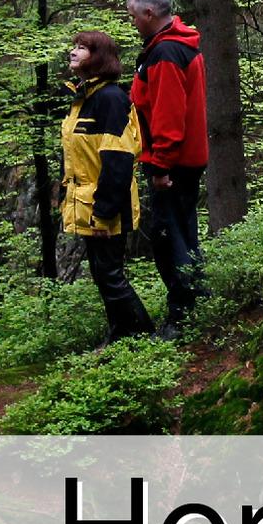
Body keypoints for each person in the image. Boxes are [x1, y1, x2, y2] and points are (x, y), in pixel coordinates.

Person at [61, 30, 152, 341]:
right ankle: (121, 336)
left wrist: (103, 213)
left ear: (99, 57)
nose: (73, 52)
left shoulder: (110, 99)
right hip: (89, 203)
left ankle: (141, 336)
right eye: (74, 46)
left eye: (82, 48)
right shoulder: (84, 98)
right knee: (102, 274)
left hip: (107, 206)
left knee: (110, 275)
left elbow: (118, 161)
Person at [126, 0, 208, 331]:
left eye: (133, 16)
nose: (132, 22)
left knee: (168, 237)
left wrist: (161, 166)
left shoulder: (166, 54)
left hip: (173, 163)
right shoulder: (176, 46)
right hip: (185, 159)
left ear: (149, 14)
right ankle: (198, 302)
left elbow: (168, 116)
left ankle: (183, 315)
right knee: (183, 233)